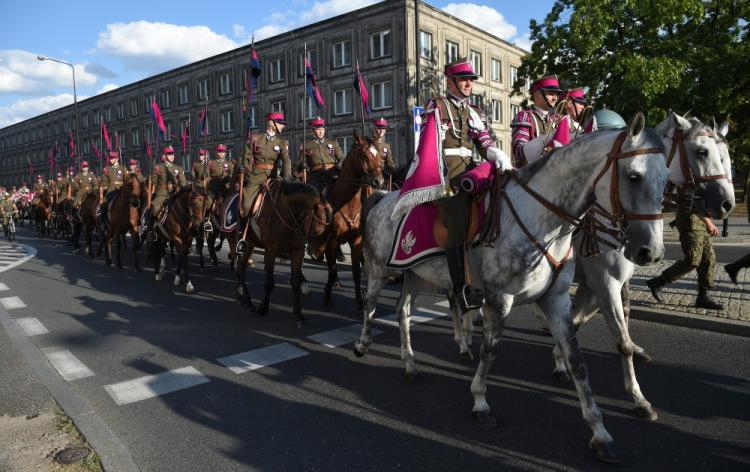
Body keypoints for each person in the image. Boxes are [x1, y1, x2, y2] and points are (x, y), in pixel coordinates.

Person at [427, 58, 512, 310]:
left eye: (471, 80)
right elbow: (427, 142)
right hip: (444, 173)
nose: (468, 84)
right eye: (463, 79)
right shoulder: (437, 106)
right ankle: (460, 289)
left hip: (469, 170)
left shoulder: (474, 110)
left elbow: (483, 142)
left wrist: (497, 155)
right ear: (450, 82)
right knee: (456, 218)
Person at [646, 196, 725, 310]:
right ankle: (657, 282)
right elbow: (690, 201)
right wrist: (708, 222)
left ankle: (703, 297)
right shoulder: (692, 179)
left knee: (708, 259)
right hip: (690, 224)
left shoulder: (706, 181)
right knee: (692, 260)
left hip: (700, 223)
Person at [239, 112, 291, 219]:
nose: (283, 125)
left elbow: (286, 160)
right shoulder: (255, 139)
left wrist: (286, 177)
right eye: (280, 123)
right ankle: (244, 231)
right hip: (255, 178)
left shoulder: (282, 143)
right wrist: (244, 168)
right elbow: (246, 157)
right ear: (271, 123)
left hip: (273, 179)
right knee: (246, 207)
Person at [511, 74, 562, 167]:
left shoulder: (554, 121)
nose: (555, 98)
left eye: (557, 95)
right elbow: (519, 151)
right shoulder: (525, 116)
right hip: (527, 176)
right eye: (551, 94)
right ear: (537, 95)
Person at [298, 117, 344, 193]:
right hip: (316, 176)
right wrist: (303, 165)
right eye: (318, 129)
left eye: (322, 129)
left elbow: (342, 157)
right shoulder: (306, 145)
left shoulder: (333, 142)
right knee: (314, 195)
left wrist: (338, 167)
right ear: (313, 130)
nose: (321, 132)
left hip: (331, 173)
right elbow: (301, 162)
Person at [150, 146, 186, 217]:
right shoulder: (158, 167)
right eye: (169, 154)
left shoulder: (178, 168)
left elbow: (183, 182)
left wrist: (179, 190)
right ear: (165, 156)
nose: (172, 156)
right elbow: (154, 182)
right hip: (162, 195)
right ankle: (152, 226)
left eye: (173, 154)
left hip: (175, 194)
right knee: (155, 209)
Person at [207, 143, 234, 213]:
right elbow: (206, 175)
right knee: (209, 203)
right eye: (219, 152)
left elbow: (232, 175)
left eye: (223, 152)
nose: (221, 153)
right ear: (216, 152)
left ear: (225, 153)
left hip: (226, 188)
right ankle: (207, 219)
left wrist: (228, 179)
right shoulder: (211, 163)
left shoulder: (230, 164)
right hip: (214, 188)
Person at [372, 117, 396, 185]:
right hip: (373, 174)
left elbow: (389, 161)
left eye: (383, 128)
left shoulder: (386, 146)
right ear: (375, 128)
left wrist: (394, 170)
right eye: (379, 128)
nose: (381, 130)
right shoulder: (370, 143)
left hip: (384, 174)